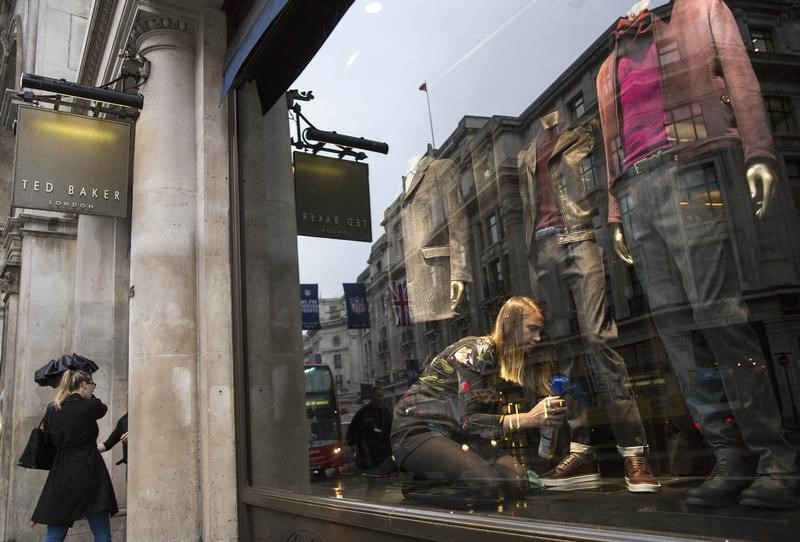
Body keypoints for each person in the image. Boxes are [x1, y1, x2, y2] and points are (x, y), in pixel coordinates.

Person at [596, 0, 798, 508]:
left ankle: (775, 456)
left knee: (719, 315)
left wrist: (758, 150)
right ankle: (729, 456)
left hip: (689, 170)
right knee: (676, 330)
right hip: (636, 188)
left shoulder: (701, 9)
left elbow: (739, 73)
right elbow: (608, 142)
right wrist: (616, 212)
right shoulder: (608, 63)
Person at [518, 110, 660, 493]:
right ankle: (581, 450)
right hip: (543, 250)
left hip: (579, 237)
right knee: (564, 354)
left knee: (598, 340)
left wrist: (614, 221)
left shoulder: (584, 131)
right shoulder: (525, 154)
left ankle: (633, 449)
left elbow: (607, 175)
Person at [391, 295, 567, 506]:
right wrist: (529, 419)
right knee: (488, 486)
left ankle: (445, 477)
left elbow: (475, 424)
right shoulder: (476, 352)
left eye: (540, 331)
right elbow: (471, 421)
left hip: (457, 435)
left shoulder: (499, 363)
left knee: (517, 482)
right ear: (510, 324)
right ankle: (419, 486)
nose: (538, 338)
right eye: (532, 328)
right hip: (418, 432)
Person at [31, 369, 118, 541]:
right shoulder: (90, 405)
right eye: (91, 385)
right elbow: (102, 408)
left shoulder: (52, 408)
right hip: (90, 470)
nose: (92, 389)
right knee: (101, 531)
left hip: (62, 471)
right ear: (83, 385)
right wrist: (90, 395)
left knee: (54, 534)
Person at [346, 387, 394, 476]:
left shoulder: (387, 413)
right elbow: (352, 430)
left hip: (384, 455)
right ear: (372, 398)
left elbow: (393, 430)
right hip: (368, 456)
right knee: (375, 483)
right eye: (377, 396)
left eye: (381, 396)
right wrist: (352, 445)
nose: (380, 399)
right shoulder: (363, 413)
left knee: (382, 483)